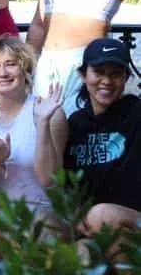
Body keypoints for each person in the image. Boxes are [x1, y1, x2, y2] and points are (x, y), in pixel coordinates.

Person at [0, 37, 62, 254]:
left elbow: (49, 179)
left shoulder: (49, 112)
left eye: (11, 64)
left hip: (44, 209)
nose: (3, 72)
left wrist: (43, 124)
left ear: (25, 68)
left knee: (34, 236)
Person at [52, 38, 141, 250]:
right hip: (94, 229)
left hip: (129, 220)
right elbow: (60, 180)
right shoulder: (75, 123)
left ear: (126, 77)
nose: (106, 81)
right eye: (99, 71)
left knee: (101, 215)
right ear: (83, 75)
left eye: (115, 73)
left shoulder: (135, 113)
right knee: (79, 256)